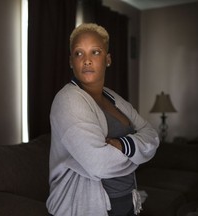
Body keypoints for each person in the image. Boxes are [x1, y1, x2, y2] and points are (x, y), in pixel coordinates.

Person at [46, 23, 159, 216]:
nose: (87, 60)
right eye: (79, 53)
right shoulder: (67, 100)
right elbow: (99, 164)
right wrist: (139, 154)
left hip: (127, 200)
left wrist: (124, 146)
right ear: (71, 61)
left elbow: (152, 136)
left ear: (107, 59)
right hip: (86, 207)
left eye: (95, 52)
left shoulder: (114, 98)